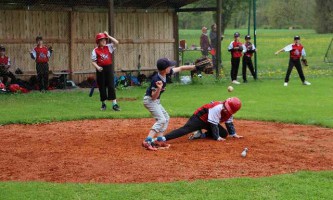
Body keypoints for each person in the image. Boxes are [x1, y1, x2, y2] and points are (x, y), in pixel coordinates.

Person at [142, 58, 196, 151]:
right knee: (161, 119)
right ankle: (148, 140)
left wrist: (195, 67)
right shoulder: (157, 80)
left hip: (155, 101)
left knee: (166, 118)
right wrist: (159, 88)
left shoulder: (167, 72)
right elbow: (153, 97)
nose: (171, 67)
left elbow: (181, 68)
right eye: (169, 66)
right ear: (164, 70)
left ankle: (159, 140)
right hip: (150, 101)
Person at [162, 97, 243, 143]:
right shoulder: (217, 107)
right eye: (226, 107)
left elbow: (229, 122)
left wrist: (233, 134)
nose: (226, 110)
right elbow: (214, 125)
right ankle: (163, 138)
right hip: (199, 118)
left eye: (228, 109)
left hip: (209, 121)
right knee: (185, 130)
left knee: (224, 133)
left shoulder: (230, 112)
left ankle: (201, 134)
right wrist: (217, 137)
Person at [91, 31, 120, 111]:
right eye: (102, 40)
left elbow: (117, 42)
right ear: (98, 42)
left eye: (105, 39)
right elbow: (93, 61)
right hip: (100, 70)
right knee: (102, 87)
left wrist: (108, 36)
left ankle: (115, 104)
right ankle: (103, 104)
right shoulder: (95, 50)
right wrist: (97, 67)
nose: (104, 41)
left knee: (111, 85)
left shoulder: (109, 47)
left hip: (109, 68)